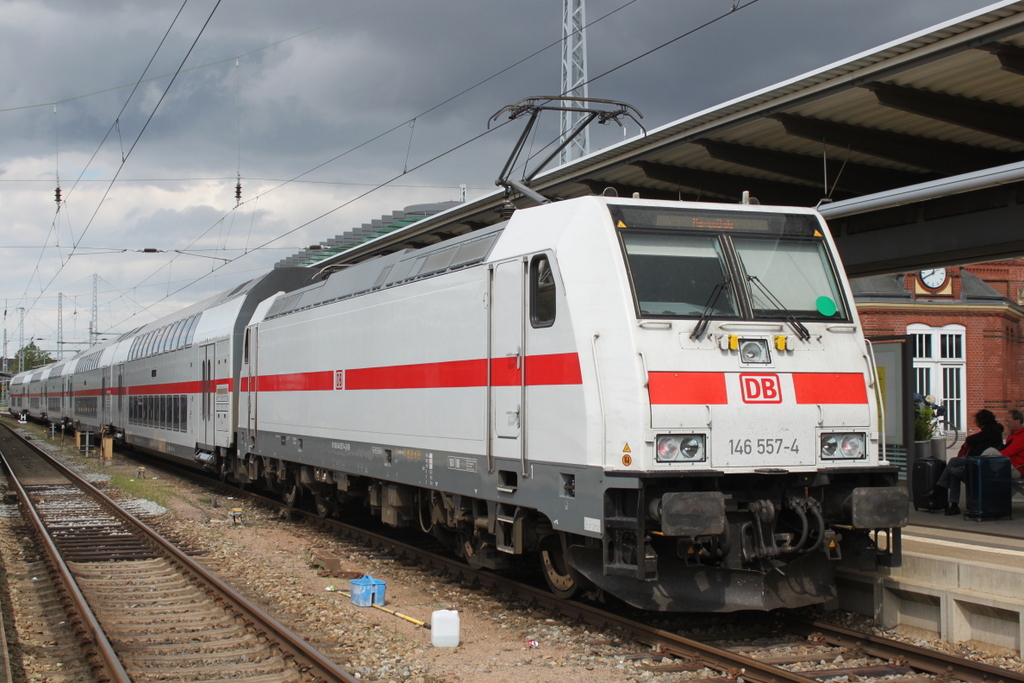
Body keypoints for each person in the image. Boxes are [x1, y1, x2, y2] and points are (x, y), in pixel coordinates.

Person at [937, 409, 1004, 515]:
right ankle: (949, 497)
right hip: (977, 462)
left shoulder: (991, 430)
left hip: (979, 465)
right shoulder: (993, 430)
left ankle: (942, 489)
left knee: (954, 467)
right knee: (954, 466)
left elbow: (971, 439)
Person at [1000, 408, 1024, 479]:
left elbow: (1009, 452)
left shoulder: (1022, 436)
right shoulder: (1013, 435)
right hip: (1011, 465)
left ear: (1018, 421)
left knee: (991, 451)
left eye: (1008, 421)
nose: (1006, 424)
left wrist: (995, 455)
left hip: (1017, 469)